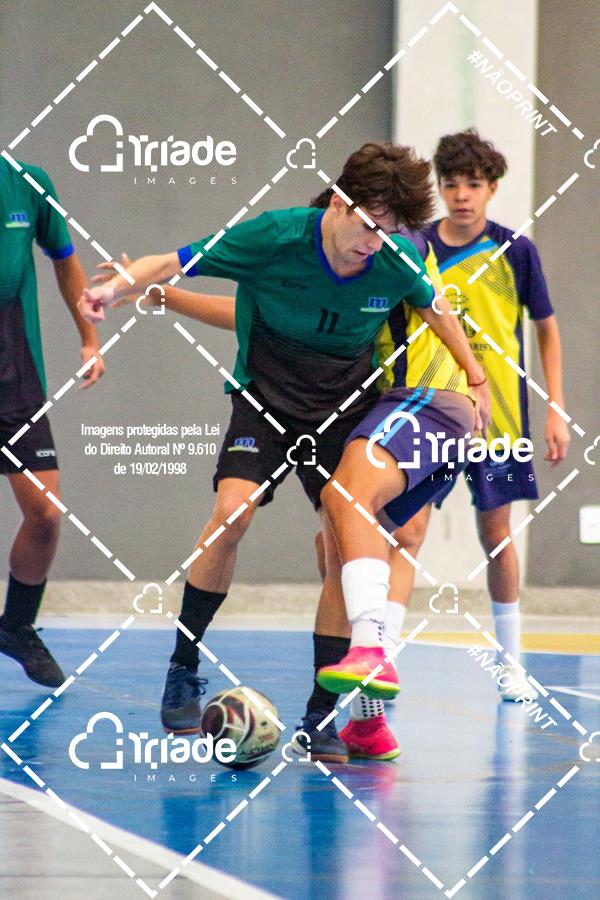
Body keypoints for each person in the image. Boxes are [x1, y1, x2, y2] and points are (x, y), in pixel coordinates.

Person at [80, 142, 489, 763]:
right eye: (369, 226)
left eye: (387, 232)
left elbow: (435, 309)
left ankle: (320, 717)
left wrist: (476, 377)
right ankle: (183, 667)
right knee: (232, 514)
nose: (374, 243)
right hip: (265, 402)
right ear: (339, 202)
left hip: (343, 410)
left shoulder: (394, 258)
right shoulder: (275, 237)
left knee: (342, 545)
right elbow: (172, 262)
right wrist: (115, 291)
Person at [340, 129, 570, 705]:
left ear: (492, 189)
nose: (462, 195)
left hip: (500, 418)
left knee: (496, 535)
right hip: (427, 408)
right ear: (439, 189)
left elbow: (546, 329)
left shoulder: (516, 251)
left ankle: (511, 662)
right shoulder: (413, 246)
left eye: (474, 184)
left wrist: (556, 408)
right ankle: (382, 656)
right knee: (407, 531)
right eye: (452, 184)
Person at [0, 156, 104, 687]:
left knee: (44, 511)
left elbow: (65, 261)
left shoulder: (27, 183)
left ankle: (16, 626)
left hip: (15, 375)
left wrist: (89, 338)